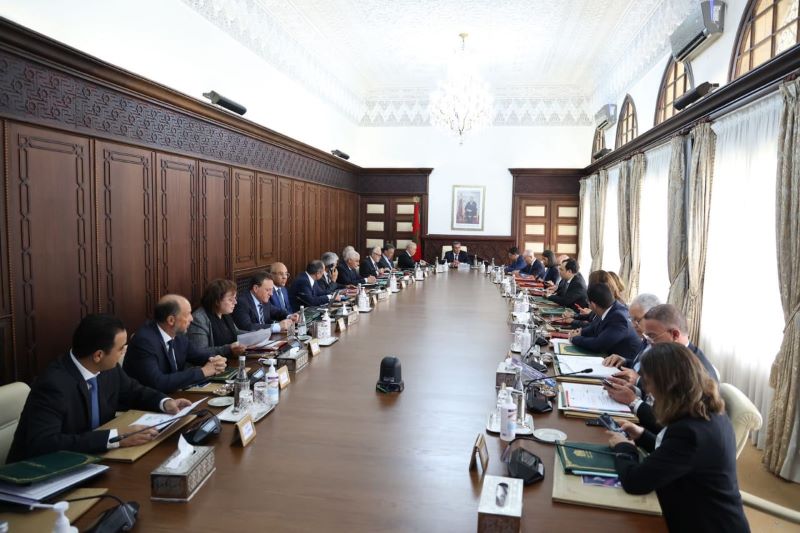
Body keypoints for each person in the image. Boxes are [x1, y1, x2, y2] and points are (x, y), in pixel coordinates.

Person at [8, 314, 192, 462]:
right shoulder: (53, 384)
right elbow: (44, 444)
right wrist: (115, 437)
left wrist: (165, 402)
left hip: (95, 459)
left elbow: (134, 391)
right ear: (98, 355)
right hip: (41, 475)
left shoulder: (108, 369)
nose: (125, 351)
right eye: (121, 348)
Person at [608, 343, 750, 533]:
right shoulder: (706, 409)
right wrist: (641, 435)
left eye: (648, 382)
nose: (647, 389)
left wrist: (623, 448)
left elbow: (635, 482)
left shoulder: (690, 432)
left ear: (666, 385)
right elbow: (677, 456)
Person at [604, 304, 719, 433]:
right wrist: (634, 390)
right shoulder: (670, 357)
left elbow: (670, 425)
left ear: (675, 334)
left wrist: (633, 401)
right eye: (647, 337)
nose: (649, 343)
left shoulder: (694, 371)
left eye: (652, 337)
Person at [124, 295, 228, 393]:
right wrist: (203, 372)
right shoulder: (144, 341)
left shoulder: (178, 335)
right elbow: (157, 382)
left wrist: (215, 360)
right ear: (171, 320)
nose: (192, 318)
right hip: (146, 402)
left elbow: (197, 354)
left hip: (174, 396)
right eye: (188, 314)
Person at [569, 283, 641, 358]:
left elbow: (598, 345)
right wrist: (580, 332)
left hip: (624, 361)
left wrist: (574, 338)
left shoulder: (619, 317)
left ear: (593, 305)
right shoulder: (607, 308)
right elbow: (594, 328)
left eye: (588, 304)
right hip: (609, 355)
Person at [188, 279, 248, 359]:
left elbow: (235, 332)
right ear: (217, 301)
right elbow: (199, 352)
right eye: (230, 299)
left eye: (235, 298)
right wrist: (228, 349)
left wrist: (256, 335)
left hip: (229, 360)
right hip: (210, 364)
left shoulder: (224, 313)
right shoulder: (199, 319)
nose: (235, 302)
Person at [602, 293, 660, 368]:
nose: (633, 325)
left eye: (637, 320)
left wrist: (636, 376)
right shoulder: (646, 340)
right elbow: (637, 366)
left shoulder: (663, 348)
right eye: (631, 319)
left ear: (654, 317)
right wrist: (624, 361)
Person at [232, 271, 297, 332]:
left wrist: (290, 316)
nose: (271, 294)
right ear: (256, 288)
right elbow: (248, 327)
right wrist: (277, 326)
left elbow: (276, 312)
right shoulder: (242, 302)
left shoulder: (263, 299)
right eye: (267, 290)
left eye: (272, 290)